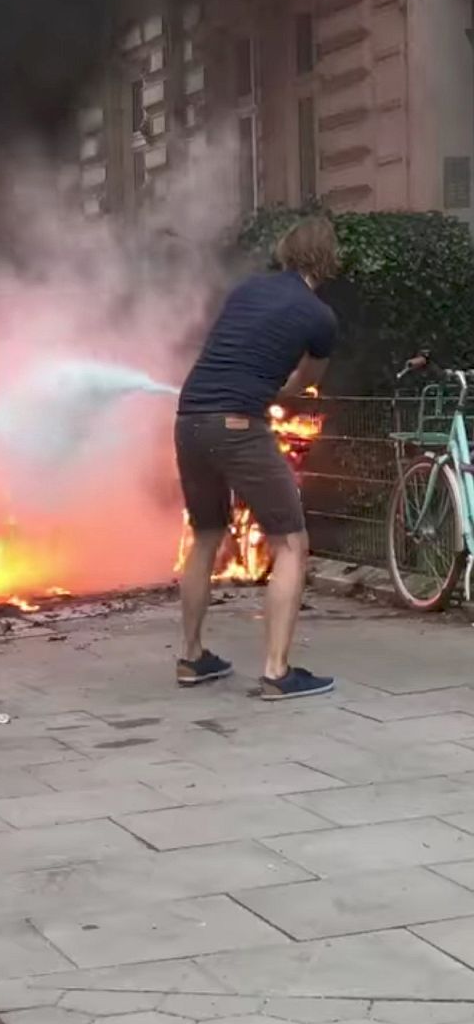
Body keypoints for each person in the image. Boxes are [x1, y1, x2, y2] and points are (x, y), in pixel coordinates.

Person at [175, 216, 340, 700]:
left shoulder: (247, 290)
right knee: (290, 543)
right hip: (239, 426)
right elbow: (304, 382)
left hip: (189, 419)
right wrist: (281, 394)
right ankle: (277, 672)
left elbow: (226, 349)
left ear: (286, 251)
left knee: (205, 535)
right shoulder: (319, 317)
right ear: (330, 260)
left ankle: (191, 657)